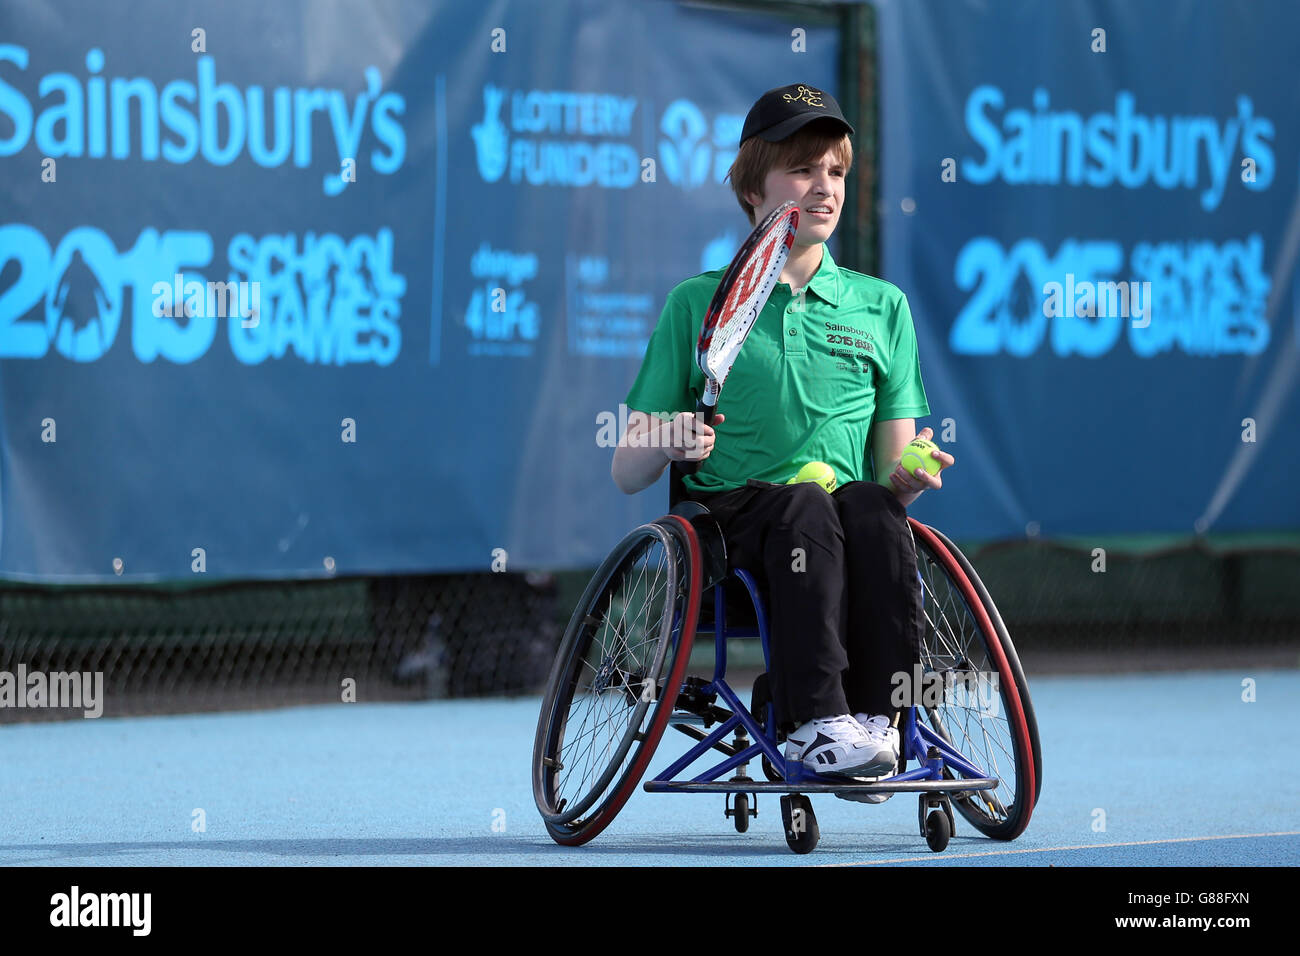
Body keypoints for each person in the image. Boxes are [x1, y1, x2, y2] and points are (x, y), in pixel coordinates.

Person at [611, 83, 954, 790]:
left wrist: (909, 478)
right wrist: (670, 437)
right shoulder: (693, 303)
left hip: (842, 521)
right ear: (751, 186)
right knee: (804, 505)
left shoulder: (883, 308)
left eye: (835, 171)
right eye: (803, 170)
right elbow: (626, 468)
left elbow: (891, 475)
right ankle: (814, 722)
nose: (824, 188)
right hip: (732, 524)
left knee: (871, 507)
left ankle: (885, 717)